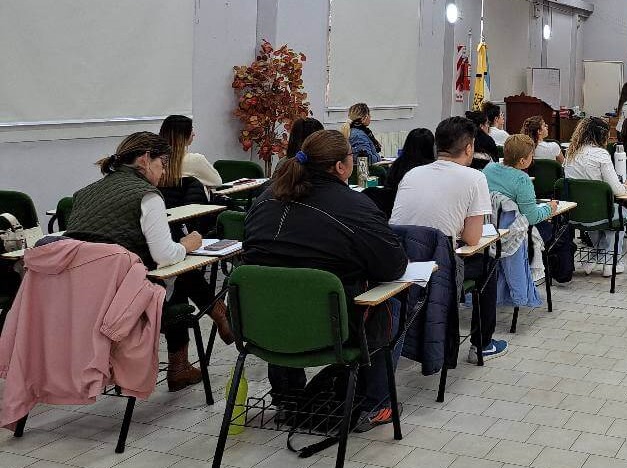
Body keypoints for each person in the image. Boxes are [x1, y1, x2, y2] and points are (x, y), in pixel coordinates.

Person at [243, 130, 408, 431]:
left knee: (280, 291)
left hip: (261, 326)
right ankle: (375, 404)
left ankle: (288, 398)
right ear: (341, 167)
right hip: (334, 330)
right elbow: (394, 266)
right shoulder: (354, 207)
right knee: (390, 305)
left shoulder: (265, 198)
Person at [64, 132, 214, 391]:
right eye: (163, 164)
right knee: (175, 271)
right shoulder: (147, 195)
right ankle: (183, 361)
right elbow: (164, 256)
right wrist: (186, 245)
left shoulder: (83, 194)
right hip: (122, 305)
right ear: (145, 160)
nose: (164, 171)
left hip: (77, 301)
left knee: (170, 272)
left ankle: (218, 316)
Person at [390, 116, 509, 362]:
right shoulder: (474, 178)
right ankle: (482, 344)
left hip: (399, 264)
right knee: (489, 265)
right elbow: (473, 237)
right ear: (469, 148)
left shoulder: (412, 174)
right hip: (439, 269)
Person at [564, 117, 627, 276]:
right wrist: (626, 185)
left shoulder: (570, 153)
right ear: (602, 136)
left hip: (574, 213)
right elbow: (618, 191)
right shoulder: (601, 155)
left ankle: (594, 257)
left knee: (602, 215)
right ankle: (610, 262)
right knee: (622, 214)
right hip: (598, 213)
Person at [483, 134, 557, 226]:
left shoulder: (488, 168)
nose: (532, 157)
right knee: (552, 228)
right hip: (513, 230)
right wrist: (549, 208)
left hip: (488, 225)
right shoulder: (522, 180)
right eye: (531, 155)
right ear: (522, 161)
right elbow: (532, 218)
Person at [159, 115, 222, 192]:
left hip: (165, 203)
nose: (194, 134)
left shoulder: (154, 162)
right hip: (192, 203)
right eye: (191, 130)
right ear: (183, 135)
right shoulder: (195, 160)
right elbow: (217, 182)